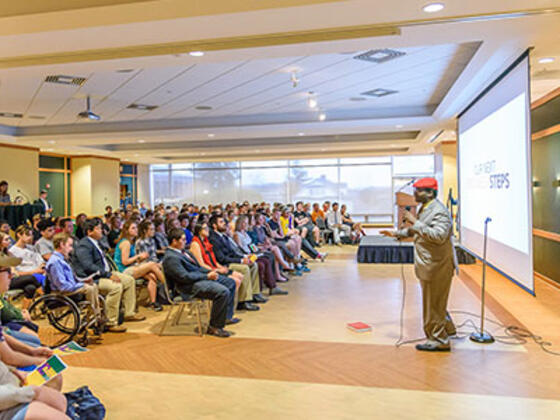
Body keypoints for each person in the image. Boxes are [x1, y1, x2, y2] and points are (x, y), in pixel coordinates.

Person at [381, 177, 457, 352]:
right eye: (415, 190)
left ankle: (438, 339)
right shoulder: (427, 208)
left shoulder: (439, 211)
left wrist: (415, 221)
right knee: (436, 302)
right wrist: (395, 233)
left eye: (419, 190)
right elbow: (416, 230)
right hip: (429, 264)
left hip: (436, 266)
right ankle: (448, 329)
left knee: (433, 304)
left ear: (430, 193)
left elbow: (438, 235)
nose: (415, 193)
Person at [72, 219, 145, 333]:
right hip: (92, 278)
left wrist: (110, 273)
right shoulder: (84, 245)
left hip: (105, 273)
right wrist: (108, 275)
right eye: (98, 228)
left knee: (129, 280)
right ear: (89, 231)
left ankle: (129, 313)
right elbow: (88, 266)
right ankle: (110, 322)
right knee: (115, 287)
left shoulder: (96, 242)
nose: (102, 230)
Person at [162, 228, 237, 337]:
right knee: (222, 292)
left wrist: (211, 271)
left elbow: (197, 268)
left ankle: (225, 317)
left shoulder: (184, 252)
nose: (185, 242)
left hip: (197, 279)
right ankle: (214, 327)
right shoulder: (171, 258)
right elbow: (184, 277)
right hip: (187, 287)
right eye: (182, 240)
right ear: (174, 241)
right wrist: (206, 276)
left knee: (230, 282)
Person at [45, 234, 102, 329]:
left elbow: (71, 279)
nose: (71, 249)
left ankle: (96, 316)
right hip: (61, 292)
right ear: (62, 245)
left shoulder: (62, 260)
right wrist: (81, 285)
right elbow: (62, 286)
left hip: (69, 287)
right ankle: (92, 317)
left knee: (93, 285)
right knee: (89, 289)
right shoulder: (55, 262)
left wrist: (83, 281)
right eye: (69, 245)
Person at [114, 220, 166, 311]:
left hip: (132, 267)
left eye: (136, 228)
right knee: (152, 264)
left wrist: (139, 259)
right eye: (133, 228)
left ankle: (153, 302)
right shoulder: (125, 243)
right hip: (124, 271)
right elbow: (125, 262)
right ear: (126, 230)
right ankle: (166, 286)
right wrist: (138, 256)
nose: (136, 230)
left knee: (152, 276)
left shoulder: (131, 242)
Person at [8, 226, 46, 309]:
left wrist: (42, 267)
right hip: (22, 278)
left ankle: (24, 314)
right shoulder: (12, 252)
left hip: (37, 275)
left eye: (31, 235)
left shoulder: (31, 248)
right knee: (32, 278)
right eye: (27, 235)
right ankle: (47, 298)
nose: (30, 237)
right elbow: (15, 273)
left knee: (30, 288)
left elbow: (41, 261)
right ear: (19, 235)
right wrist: (34, 271)